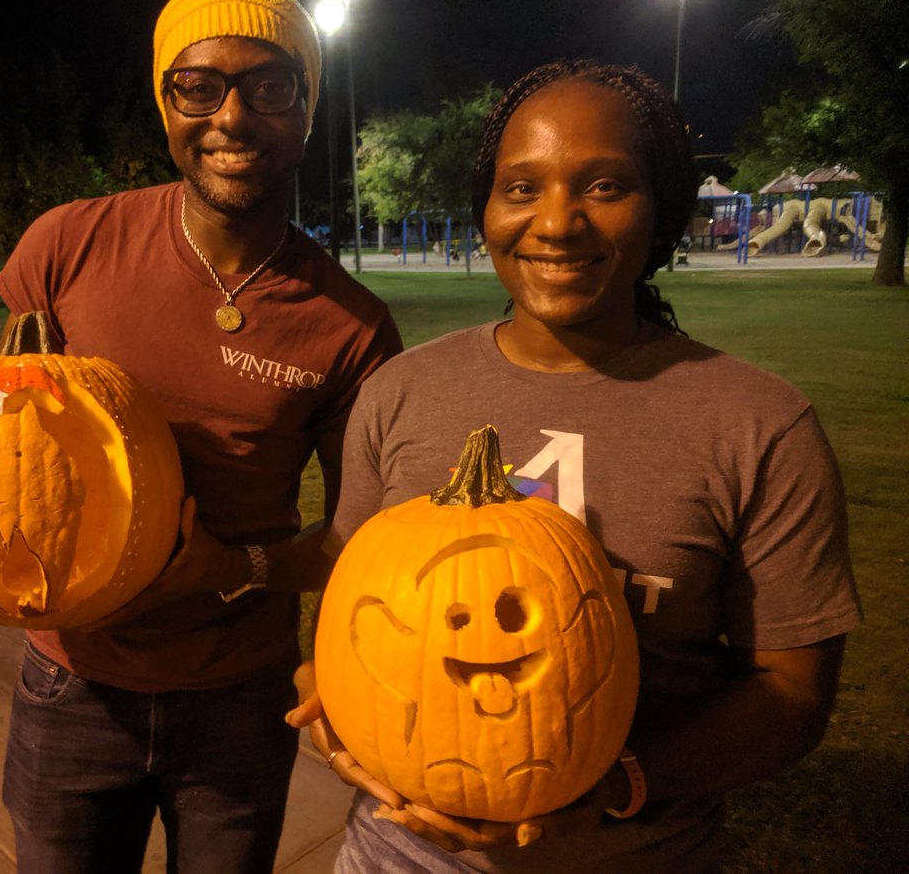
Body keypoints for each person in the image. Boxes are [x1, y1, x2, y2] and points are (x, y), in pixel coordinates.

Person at [288, 60, 861, 871]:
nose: (556, 222)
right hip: (394, 853)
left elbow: (792, 696)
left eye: (603, 186)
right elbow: (356, 606)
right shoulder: (401, 392)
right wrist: (332, 689)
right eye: (521, 188)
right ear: (487, 209)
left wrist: (613, 782)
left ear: (660, 209)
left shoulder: (759, 425)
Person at [0, 0, 402, 871]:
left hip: (238, 702)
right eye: (199, 86)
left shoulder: (352, 326)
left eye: (271, 86)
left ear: (305, 111)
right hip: (71, 681)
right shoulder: (65, 247)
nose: (232, 117)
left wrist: (235, 569)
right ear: (166, 102)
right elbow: (0, 432)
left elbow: (361, 540)